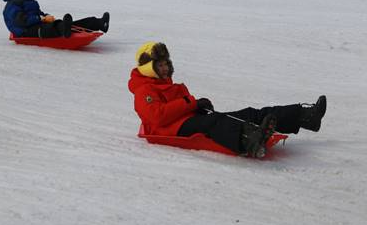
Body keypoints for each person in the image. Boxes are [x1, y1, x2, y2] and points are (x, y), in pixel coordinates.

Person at [128, 42, 327, 158]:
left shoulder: (171, 85)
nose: (165, 69)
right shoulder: (143, 90)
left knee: (245, 114)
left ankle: (303, 116)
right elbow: (157, 117)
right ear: (149, 68)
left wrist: (197, 105)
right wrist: (192, 104)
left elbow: (185, 108)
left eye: (166, 64)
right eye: (159, 65)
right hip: (168, 129)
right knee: (214, 122)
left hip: (188, 120)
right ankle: (250, 140)